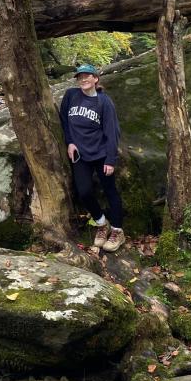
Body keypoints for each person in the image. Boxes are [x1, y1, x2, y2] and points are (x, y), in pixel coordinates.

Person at [59, 64, 125, 252]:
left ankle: (117, 231)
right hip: (80, 154)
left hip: (101, 154)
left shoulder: (104, 102)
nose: (83, 80)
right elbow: (64, 119)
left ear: (96, 79)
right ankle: (101, 223)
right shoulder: (71, 95)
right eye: (80, 77)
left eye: (87, 76)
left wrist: (110, 160)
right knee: (84, 192)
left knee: (110, 190)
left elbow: (112, 132)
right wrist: (70, 142)